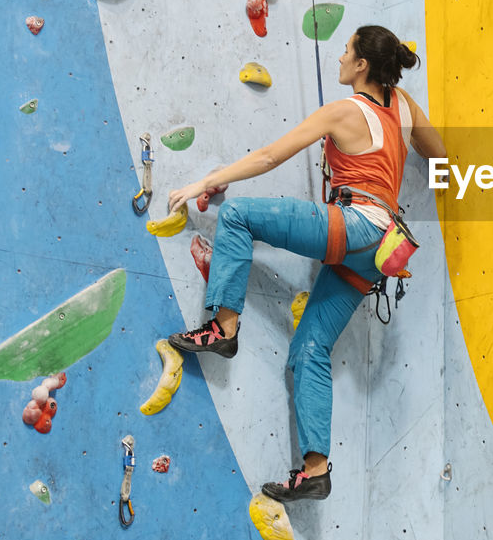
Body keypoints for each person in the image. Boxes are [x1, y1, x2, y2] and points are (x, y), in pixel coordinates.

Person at [166, 25, 446, 502]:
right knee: (310, 350)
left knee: (236, 216)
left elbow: (271, 155)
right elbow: (439, 154)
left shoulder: (343, 110)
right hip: (382, 252)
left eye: (346, 51)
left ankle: (224, 328)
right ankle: (315, 470)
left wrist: (203, 183)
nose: (339, 57)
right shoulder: (403, 107)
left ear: (361, 65)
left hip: (354, 226)